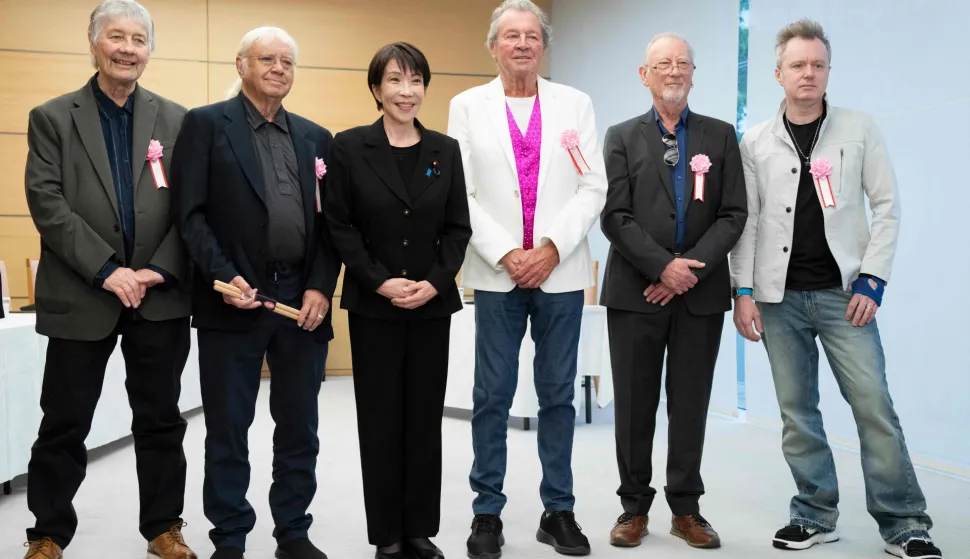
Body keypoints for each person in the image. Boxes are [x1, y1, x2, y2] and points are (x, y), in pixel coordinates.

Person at [730, 19, 942, 559]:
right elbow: (748, 221)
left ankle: (904, 523)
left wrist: (872, 281)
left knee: (873, 407)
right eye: (798, 65)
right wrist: (744, 291)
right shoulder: (755, 140)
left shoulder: (859, 128)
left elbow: (888, 206)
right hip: (778, 301)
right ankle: (814, 514)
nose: (808, 73)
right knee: (797, 411)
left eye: (818, 65)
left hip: (843, 295)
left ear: (828, 71)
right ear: (778, 73)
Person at [22, 1, 197, 558]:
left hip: (158, 295)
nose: (127, 48)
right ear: (94, 43)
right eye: (115, 37)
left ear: (149, 49)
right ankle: (48, 532)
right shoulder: (52, 117)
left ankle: (163, 529)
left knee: (161, 421)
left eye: (138, 39)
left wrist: (158, 269)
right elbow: (47, 204)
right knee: (64, 422)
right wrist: (107, 270)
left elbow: (192, 206)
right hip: (82, 293)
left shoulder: (177, 120)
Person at [170, 26, 339, 559]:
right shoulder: (204, 126)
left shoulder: (316, 137)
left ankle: (293, 531)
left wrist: (319, 286)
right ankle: (231, 537)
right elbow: (189, 215)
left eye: (288, 61)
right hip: (232, 298)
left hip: (299, 301)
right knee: (228, 427)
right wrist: (224, 277)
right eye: (268, 58)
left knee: (299, 426)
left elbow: (332, 225)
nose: (279, 69)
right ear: (241, 64)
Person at [447, 1, 607, 556]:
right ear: (492, 46)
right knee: (492, 395)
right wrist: (507, 253)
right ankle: (486, 512)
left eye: (532, 36)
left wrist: (550, 248)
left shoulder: (576, 104)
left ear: (544, 45)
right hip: (497, 275)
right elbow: (459, 192)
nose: (522, 44)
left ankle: (557, 510)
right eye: (510, 36)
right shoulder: (466, 106)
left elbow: (593, 186)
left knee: (558, 396)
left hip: (559, 273)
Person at [599, 32, 747, 551]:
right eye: (663, 63)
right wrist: (662, 268)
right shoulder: (620, 136)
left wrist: (690, 272)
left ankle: (686, 508)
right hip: (634, 292)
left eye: (683, 63)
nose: (674, 71)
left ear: (692, 73)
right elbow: (614, 216)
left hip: (700, 296)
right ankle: (633, 508)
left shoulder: (720, 135)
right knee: (635, 404)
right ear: (645, 75)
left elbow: (733, 213)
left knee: (690, 404)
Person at [324, 42, 471, 559]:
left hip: (431, 305)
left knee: (423, 418)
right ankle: (386, 533)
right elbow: (339, 225)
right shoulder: (348, 147)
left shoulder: (444, 150)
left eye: (415, 80)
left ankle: (418, 529)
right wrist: (379, 280)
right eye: (394, 80)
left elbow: (458, 229)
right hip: (374, 306)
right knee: (381, 419)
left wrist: (434, 281)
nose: (406, 91)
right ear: (375, 89)